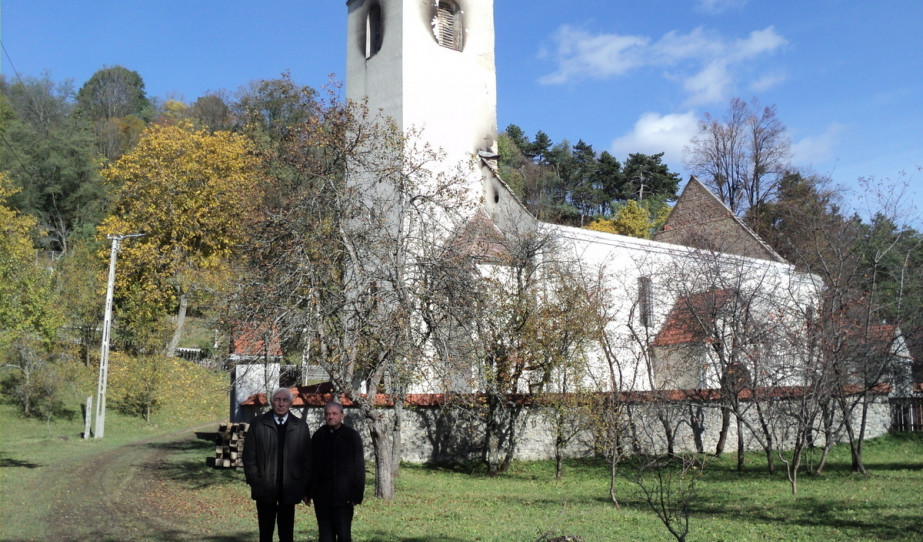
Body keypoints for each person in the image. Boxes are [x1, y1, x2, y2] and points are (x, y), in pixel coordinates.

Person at [243, 388, 313, 542]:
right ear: (271, 402)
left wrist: (302, 485)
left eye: (285, 400)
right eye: (277, 400)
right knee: (265, 533)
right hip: (265, 486)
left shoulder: (300, 426)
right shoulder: (259, 423)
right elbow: (249, 456)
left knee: (287, 534)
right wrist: (256, 481)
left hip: (289, 488)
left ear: (291, 403)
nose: (281, 404)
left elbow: (307, 459)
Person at [310, 401, 366, 542]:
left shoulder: (351, 436)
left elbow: (359, 467)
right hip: (322, 495)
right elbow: (311, 465)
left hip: (344, 495)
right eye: (328, 414)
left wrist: (356, 494)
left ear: (342, 416)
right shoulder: (319, 435)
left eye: (334, 414)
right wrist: (308, 491)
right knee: (325, 536)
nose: (331, 417)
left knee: (344, 534)